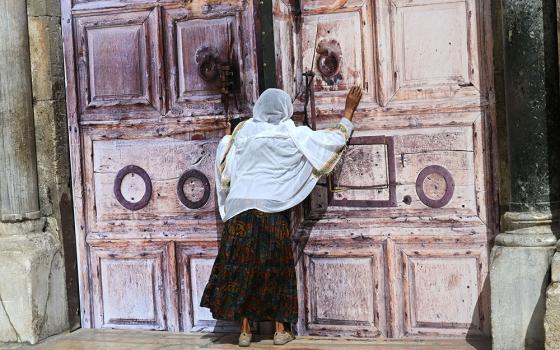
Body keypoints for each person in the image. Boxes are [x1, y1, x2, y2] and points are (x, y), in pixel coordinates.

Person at [200, 86, 363, 347]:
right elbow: (331, 141)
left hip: (239, 211)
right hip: (271, 211)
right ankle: (279, 331)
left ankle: (244, 332)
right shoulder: (291, 133)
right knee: (274, 268)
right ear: (285, 109)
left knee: (243, 268)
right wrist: (348, 111)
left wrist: (226, 133)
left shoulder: (245, 133)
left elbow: (225, 163)